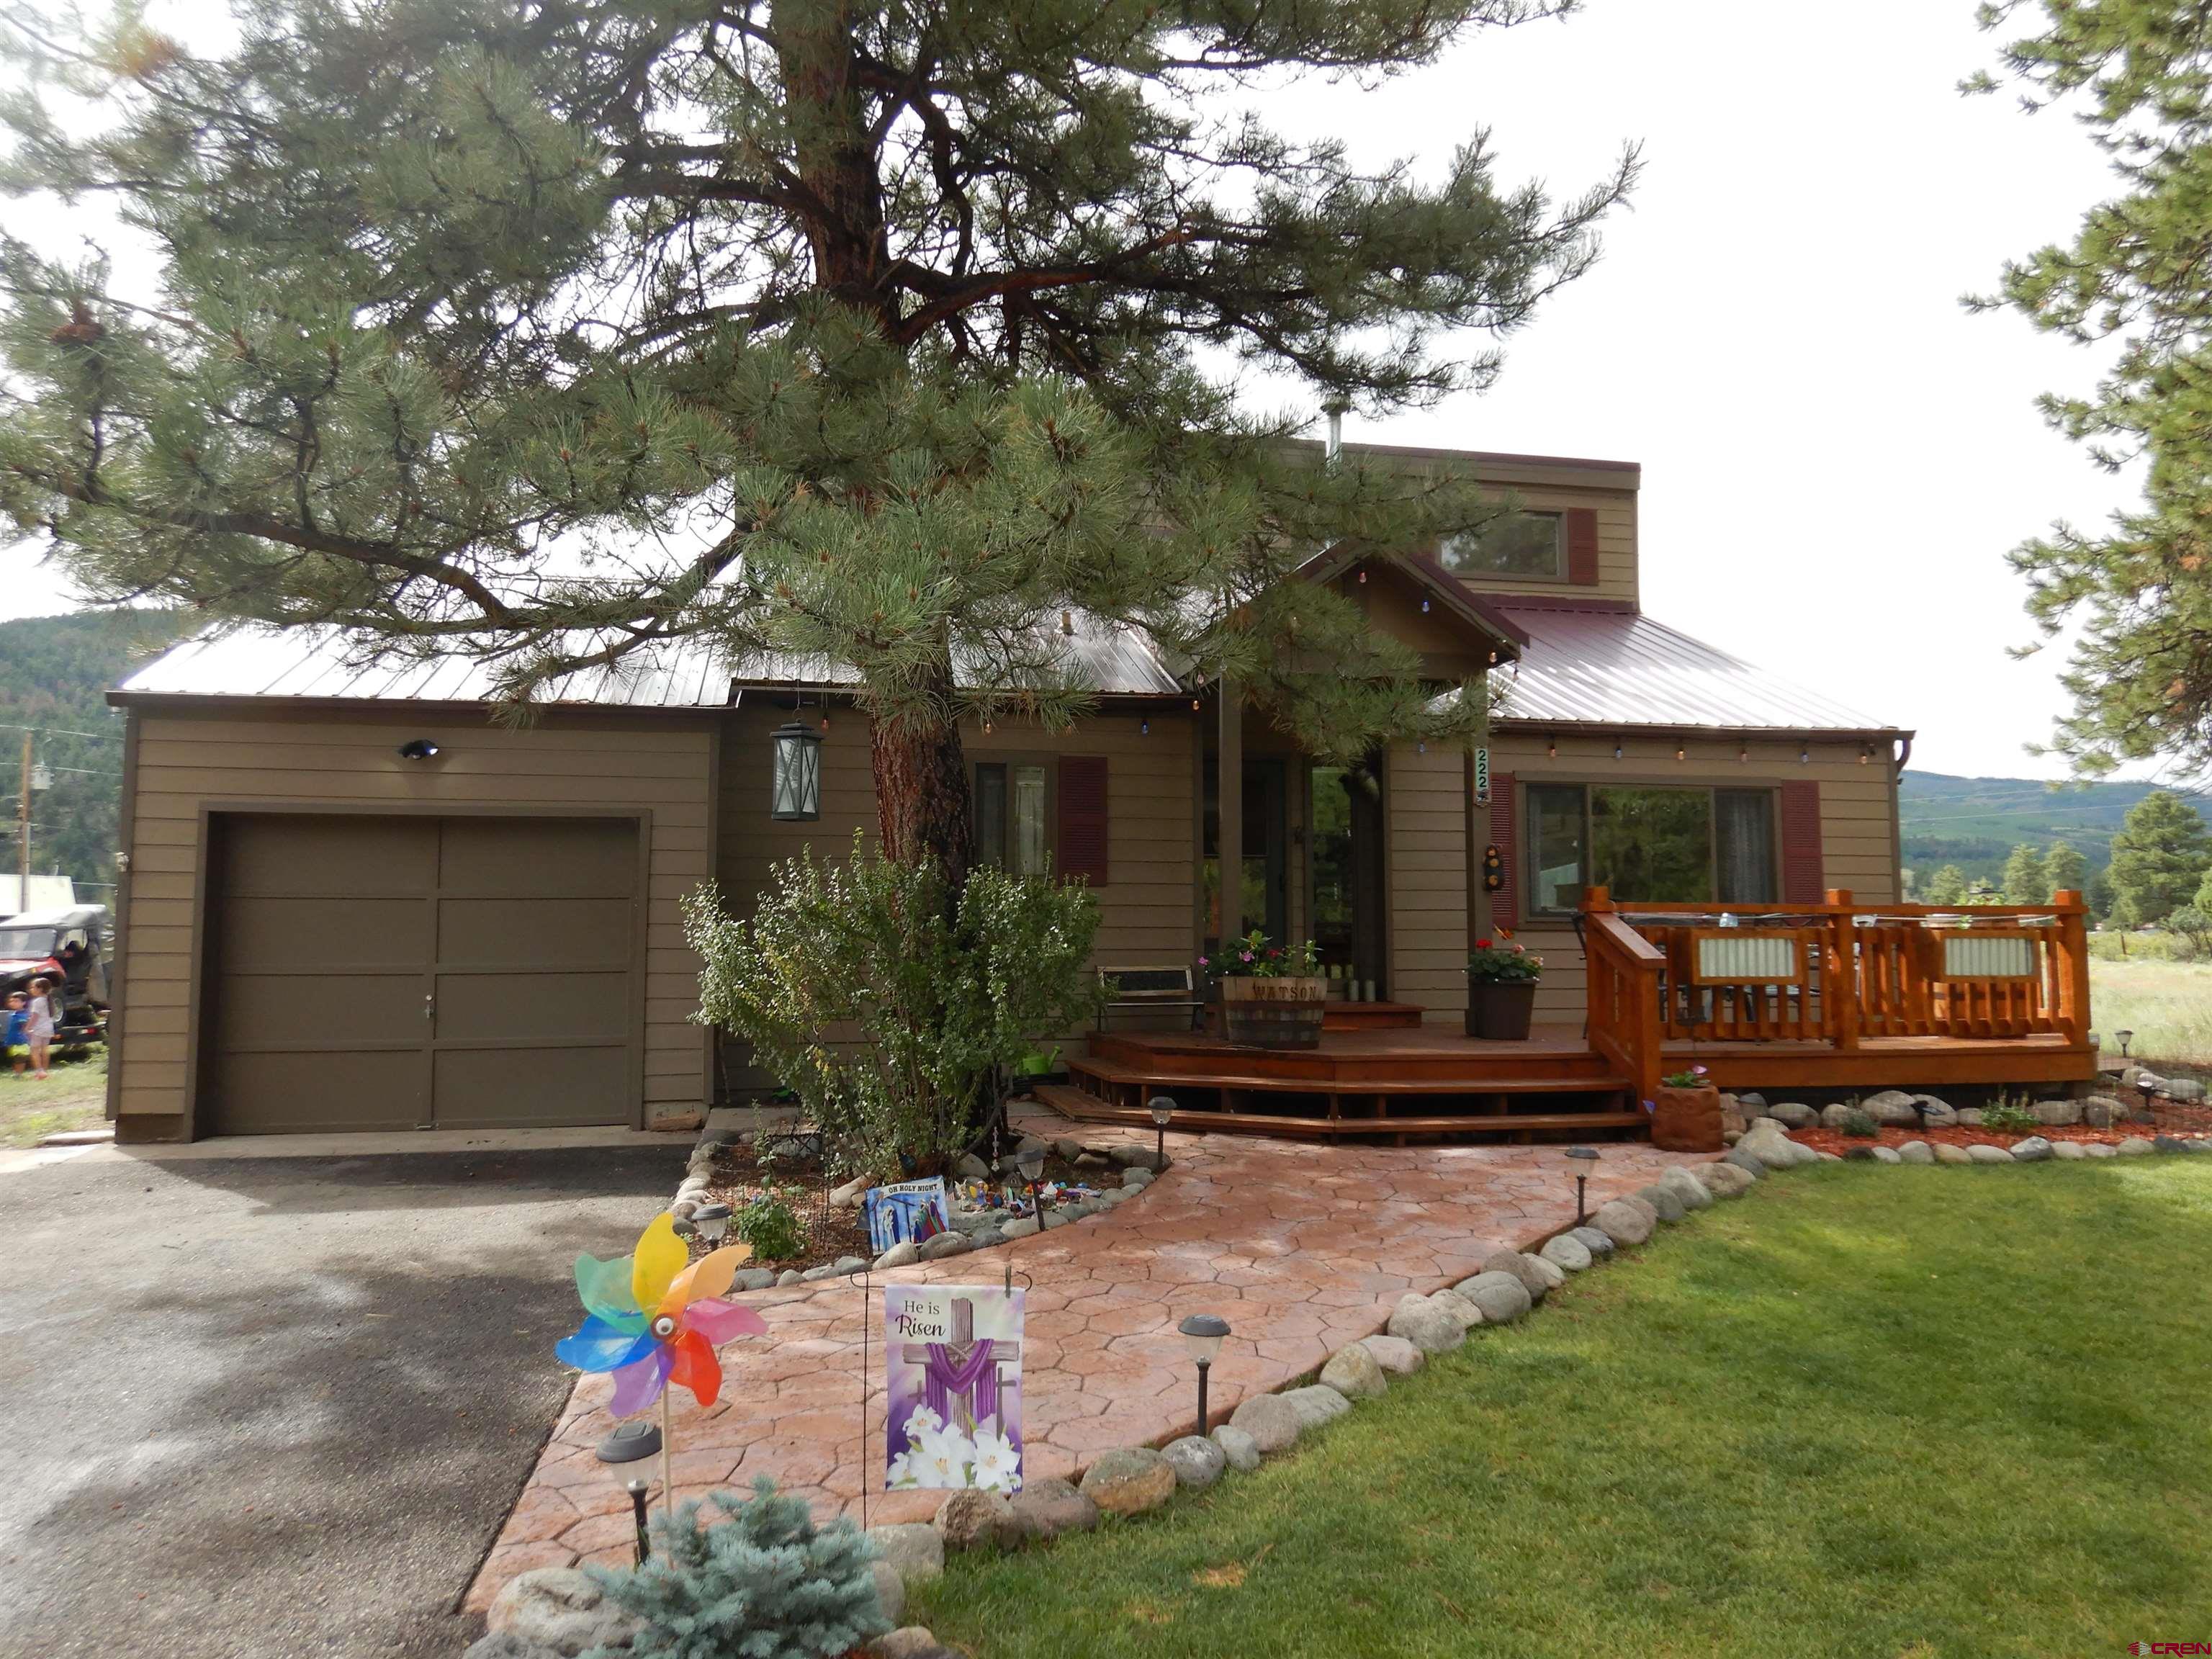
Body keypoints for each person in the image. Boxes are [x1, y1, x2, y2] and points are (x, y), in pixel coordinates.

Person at [22, 976, 55, 1080]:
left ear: (40, 989)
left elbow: (34, 1016)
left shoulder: (37, 1001)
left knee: (34, 1050)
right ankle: (44, 1071)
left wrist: (28, 1027)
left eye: (33, 987)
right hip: (48, 1028)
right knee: (45, 1049)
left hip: (38, 1029)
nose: (31, 989)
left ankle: (39, 1071)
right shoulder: (48, 1000)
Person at [4, 992, 27, 1078]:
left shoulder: (23, 1015)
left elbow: (24, 1026)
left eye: (16, 1001)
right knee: (15, 1058)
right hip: (13, 1040)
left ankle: (19, 1074)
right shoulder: (13, 1014)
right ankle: (17, 1073)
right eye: (11, 1001)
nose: (13, 1003)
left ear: (24, 1003)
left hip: (21, 1041)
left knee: (20, 1058)